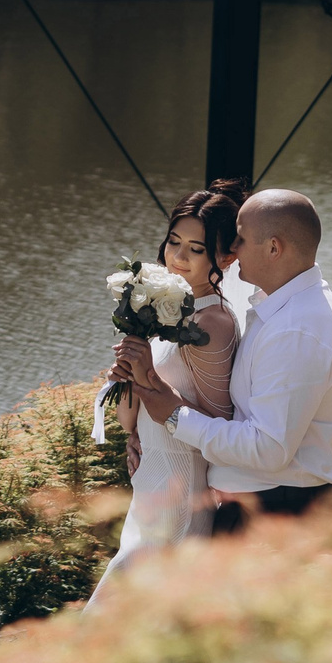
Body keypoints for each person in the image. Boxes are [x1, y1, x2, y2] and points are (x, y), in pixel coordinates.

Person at [115, 188, 332, 531]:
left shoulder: (296, 329)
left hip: (274, 511)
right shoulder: (286, 308)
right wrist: (151, 434)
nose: (232, 249)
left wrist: (172, 417)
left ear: (274, 248)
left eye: (240, 239)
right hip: (265, 502)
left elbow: (268, 449)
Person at [89, 181, 247, 594]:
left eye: (196, 249)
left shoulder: (213, 323)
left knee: (126, 600)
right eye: (174, 242)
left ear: (226, 256)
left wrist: (148, 376)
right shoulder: (166, 313)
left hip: (180, 481)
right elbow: (131, 422)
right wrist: (127, 373)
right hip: (150, 475)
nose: (177, 258)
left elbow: (219, 423)